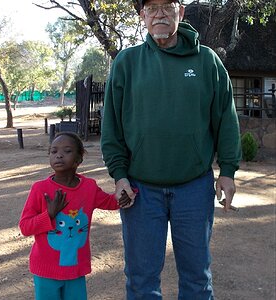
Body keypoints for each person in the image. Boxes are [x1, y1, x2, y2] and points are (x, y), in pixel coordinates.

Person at [100, 0, 242, 299]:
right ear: (143, 16)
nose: (160, 14)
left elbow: (225, 120)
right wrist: (119, 175)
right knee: (141, 279)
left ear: (181, 12)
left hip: (193, 187)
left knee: (196, 276)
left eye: (168, 6)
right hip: (139, 190)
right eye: (152, 8)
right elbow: (111, 126)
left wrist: (227, 172)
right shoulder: (127, 63)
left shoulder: (207, 61)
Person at [19, 132, 132, 300]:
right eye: (53, 151)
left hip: (75, 268)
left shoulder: (89, 187)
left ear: (79, 159)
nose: (59, 155)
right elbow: (25, 227)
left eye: (67, 151)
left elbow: (109, 202)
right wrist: (49, 214)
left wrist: (125, 196)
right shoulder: (40, 189)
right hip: (46, 270)